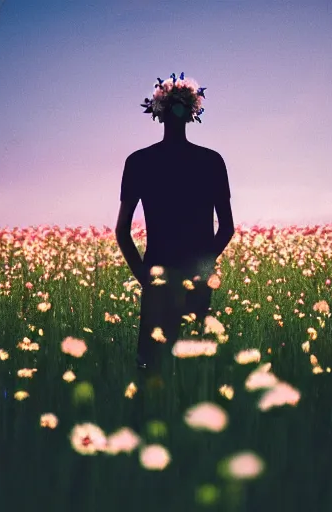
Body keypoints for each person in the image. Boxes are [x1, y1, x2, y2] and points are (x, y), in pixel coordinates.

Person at [115, 73, 235, 371]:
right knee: (194, 367)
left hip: (158, 277)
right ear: (193, 113)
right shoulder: (211, 162)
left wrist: (144, 275)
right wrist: (202, 265)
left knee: (152, 363)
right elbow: (227, 228)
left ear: (158, 112)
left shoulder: (139, 162)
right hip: (197, 278)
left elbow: (122, 230)